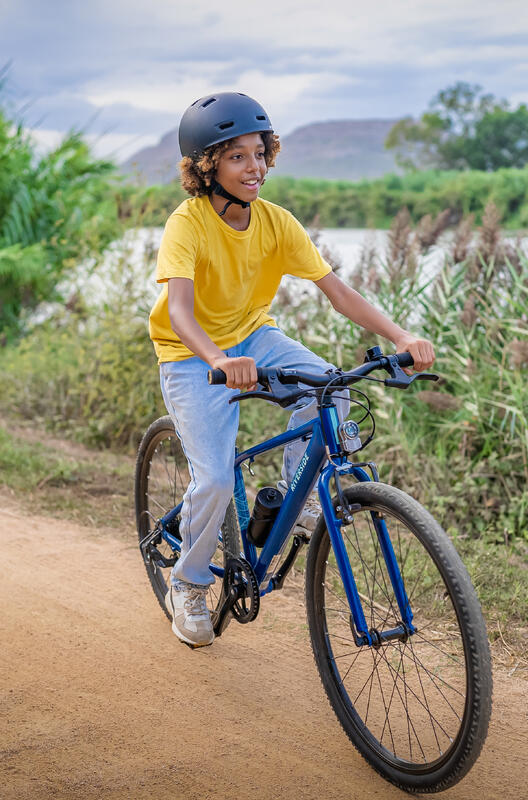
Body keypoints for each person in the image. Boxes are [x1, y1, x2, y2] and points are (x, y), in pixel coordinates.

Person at [148, 92, 434, 648]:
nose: (254, 167)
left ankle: (301, 503)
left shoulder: (276, 224)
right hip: (191, 353)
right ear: (207, 167)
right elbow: (180, 312)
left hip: (256, 336)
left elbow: (338, 292)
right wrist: (219, 360)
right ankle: (187, 581)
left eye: (260, 153)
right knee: (212, 478)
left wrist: (400, 337)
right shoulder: (188, 224)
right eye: (236, 157)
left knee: (330, 385)